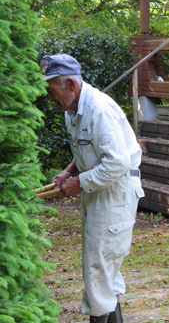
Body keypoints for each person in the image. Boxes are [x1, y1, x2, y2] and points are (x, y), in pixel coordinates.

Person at [41, 54, 144, 322]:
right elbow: (89, 148)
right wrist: (68, 171)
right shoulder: (73, 111)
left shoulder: (100, 109)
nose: (50, 97)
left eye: (52, 90)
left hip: (115, 192)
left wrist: (80, 183)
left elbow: (118, 162)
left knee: (98, 270)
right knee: (104, 270)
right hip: (100, 189)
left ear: (71, 84)